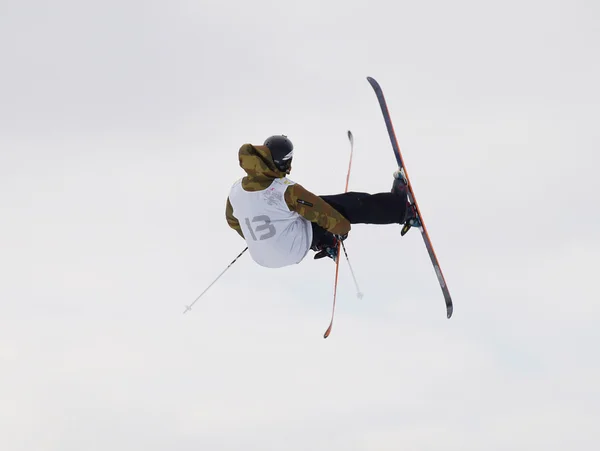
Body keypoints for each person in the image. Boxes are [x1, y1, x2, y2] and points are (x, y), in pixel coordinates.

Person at [225, 135, 420, 268]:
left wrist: (258, 239)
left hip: (262, 258)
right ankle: (401, 210)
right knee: (344, 205)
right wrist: (342, 228)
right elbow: (322, 212)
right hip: (292, 249)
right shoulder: (286, 190)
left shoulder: (236, 190)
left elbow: (233, 220)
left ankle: (324, 242)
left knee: (291, 216)